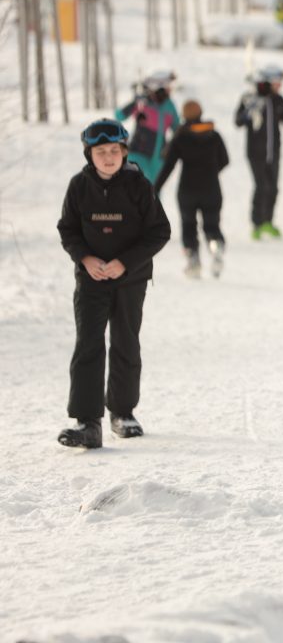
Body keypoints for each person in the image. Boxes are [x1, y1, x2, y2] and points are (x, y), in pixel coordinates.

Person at [56, 119, 171, 448]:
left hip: (129, 280)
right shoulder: (79, 186)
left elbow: (159, 231)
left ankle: (123, 413)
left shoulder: (138, 185)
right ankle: (88, 423)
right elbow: (68, 229)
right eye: (100, 152)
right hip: (91, 279)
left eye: (114, 151)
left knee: (125, 341)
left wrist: (125, 263)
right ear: (89, 154)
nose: (108, 157)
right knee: (88, 344)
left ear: (123, 152)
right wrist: (85, 259)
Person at [153, 100, 230, 277]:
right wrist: (211, 171)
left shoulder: (181, 136)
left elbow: (168, 165)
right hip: (211, 188)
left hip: (187, 189)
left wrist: (155, 188)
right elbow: (225, 160)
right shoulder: (214, 135)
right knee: (212, 224)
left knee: (188, 225)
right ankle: (216, 247)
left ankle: (193, 260)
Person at [234, 65, 283, 239]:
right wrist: (249, 113)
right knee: (261, 187)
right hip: (255, 153)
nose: (280, 87)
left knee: (274, 188)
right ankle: (257, 224)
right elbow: (238, 121)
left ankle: (268, 221)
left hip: (273, 152)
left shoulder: (278, 100)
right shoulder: (249, 99)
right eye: (277, 83)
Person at [115, 71, 180, 185]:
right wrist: (134, 102)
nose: (170, 90)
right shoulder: (143, 102)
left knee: (154, 192)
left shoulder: (170, 106)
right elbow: (119, 116)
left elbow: (177, 128)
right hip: (137, 153)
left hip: (158, 158)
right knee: (132, 189)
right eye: (168, 87)